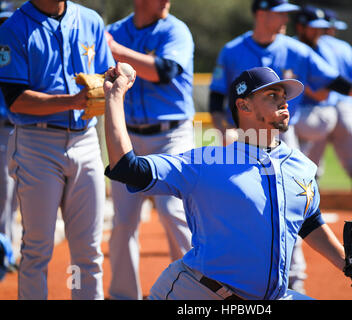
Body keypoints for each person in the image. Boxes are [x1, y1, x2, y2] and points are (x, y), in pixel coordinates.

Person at [103, 64, 346, 300]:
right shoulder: (206, 164)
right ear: (243, 105)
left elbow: (309, 221)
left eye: (284, 96)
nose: (284, 102)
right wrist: (114, 96)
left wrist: (350, 264)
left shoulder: (302, 167)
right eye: (272, 95)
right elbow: (127, 169)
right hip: (198, 293)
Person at [208, 0, 352, 295]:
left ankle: (294, 278)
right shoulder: (232, 51)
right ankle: (232, 277)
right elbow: (216, 99)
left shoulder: (294, 48)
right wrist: (224, 131)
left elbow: (337, 82)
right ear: (262, 13)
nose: (286, 20)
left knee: (293, 204)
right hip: (237, 140)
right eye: (281, 13)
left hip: (281, 138)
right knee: (236, 206)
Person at [0, 0, 115, 299]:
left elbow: (105, 75)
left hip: (86, 140)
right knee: (37, 249)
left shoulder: (90, 21)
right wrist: (72, 101)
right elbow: (16, 99)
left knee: (88, 251)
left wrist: (117, 79)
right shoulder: (15, 28)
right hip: (37, 143)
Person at [105, 0, 195, 300]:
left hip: (171, 136)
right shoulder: (114, 31)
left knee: (174, 212)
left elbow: (165, 70)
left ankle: (190, 292)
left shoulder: (176, 30)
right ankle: (123, 295)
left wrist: (117, 50)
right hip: (128, 137)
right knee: (123, 221)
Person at [293, 5, 352, 217]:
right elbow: (350, 81)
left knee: (310, 168)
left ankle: (308, 215)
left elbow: (322, 91)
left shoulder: (308, 46)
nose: (329, 31)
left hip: (317, 111)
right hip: (343, 107)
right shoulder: (343, 47)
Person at [0, 2, 18, 268]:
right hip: (3, 130)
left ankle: (8, 250)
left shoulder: (16, 48)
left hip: (18, 127)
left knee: (11, 196)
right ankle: (6, 252)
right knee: (5, 193)